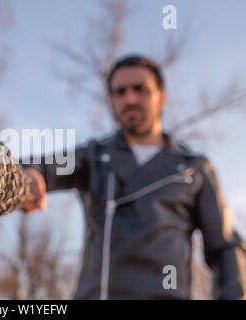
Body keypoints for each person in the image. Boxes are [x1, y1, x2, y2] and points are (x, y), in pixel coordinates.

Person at [21, 55, 246, 300]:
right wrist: (26, 176)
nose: (130, 99)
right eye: (120, 92)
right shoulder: (93, 158)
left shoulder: (194, 168)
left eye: (140, 89)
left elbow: (225, 247)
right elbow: (43, 168)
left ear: (162, 97)